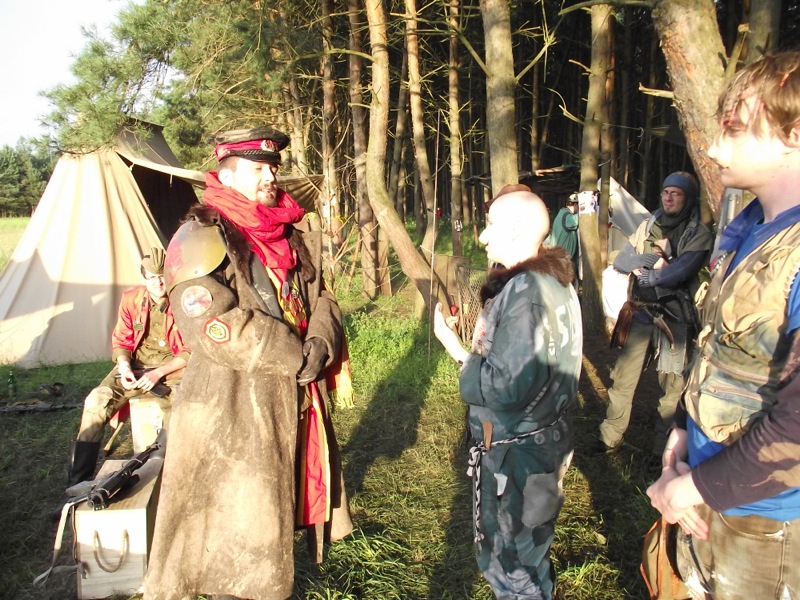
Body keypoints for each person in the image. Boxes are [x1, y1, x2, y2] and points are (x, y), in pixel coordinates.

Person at [144, 126, 352, 600]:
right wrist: (294, 354)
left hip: (295, 394)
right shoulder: (199, 236)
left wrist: (320, 341)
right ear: (227, 174)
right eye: (258, 168)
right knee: (234, 522)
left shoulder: (288, 232)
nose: (271, 176)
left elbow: (322, 297)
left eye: (272, 167)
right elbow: (212, 324)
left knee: (277, 505)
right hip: (232, 405)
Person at [647, 51, 800, 599]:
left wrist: (695, 486)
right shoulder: (749, 227)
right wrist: (683, 432)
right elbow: (722, 349)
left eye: (734, 129)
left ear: (795, 133)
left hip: (768, 519)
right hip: (707, 488)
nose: (714, 149)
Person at [433, 186, 582, 600]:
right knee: (527, 557)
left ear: (516, 229)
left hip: (519, 457)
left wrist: (455, 348)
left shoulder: (527, 291)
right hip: (539, 445)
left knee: (512, 567)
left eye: (491, 224)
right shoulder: (554, 282)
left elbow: (505, 386)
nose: (482, 236)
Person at [597, 172, 713, 458]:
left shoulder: (697, 231)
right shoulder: (649, 224)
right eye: (665, 192)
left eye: (676, 193)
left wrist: (655, 274)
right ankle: (609, 439)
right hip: (641, 313)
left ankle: (663, 453)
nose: (669, 198)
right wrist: (654, 261)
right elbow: (622, 261)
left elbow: (683, 270)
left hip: (675, 320)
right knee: (622, 379)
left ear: (688, 198)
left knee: (671, 389)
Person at [66, 248, 189, 488]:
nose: (158, 283)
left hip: (172, 369)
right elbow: (122, 341)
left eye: (162, 276)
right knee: (96, 401)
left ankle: (159, 476)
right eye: (152, 277)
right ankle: (77, 483)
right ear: (143, 277)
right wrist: (124, 367)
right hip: (136, 365)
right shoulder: (131, 299)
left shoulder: (184, 300)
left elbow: (190, 350)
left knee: (176, 413)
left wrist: (159, 373)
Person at [549, 193, 580, 281]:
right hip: (563, 260)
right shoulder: (566, 216)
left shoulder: (561, 214)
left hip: (558, 258)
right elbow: (577, 221)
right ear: (575, 204)